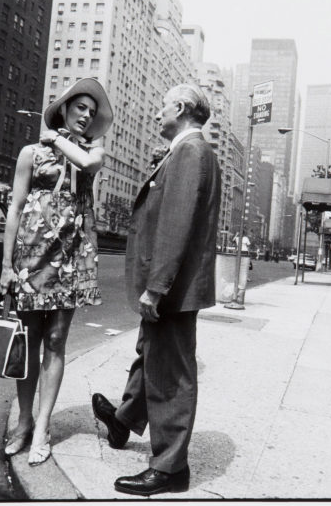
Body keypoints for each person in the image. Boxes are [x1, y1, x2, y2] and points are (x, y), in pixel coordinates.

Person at [92, 83, 221, 496]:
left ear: (180, 108)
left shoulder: (190, 152)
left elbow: (175, 226)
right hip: (173, 285)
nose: (155, 113)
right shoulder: (185, 152)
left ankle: (169, 468)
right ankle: (125, 420)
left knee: (171, 374)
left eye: (162, 106)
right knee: (151, 354)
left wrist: (157, 288)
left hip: (173, 287)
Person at [0, 78, 112, 466]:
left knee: (56, 341)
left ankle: (43, 427)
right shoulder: (30, 153)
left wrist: (55, 139)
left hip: (71, 256)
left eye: (92, 113)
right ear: (64, 108)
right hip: (32, 254)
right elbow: (14, 208)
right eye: (80, 108)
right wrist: (5, 265)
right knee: (28, 342)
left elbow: (87, 163)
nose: (86, 116)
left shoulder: (91, 151)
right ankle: (24, 422)